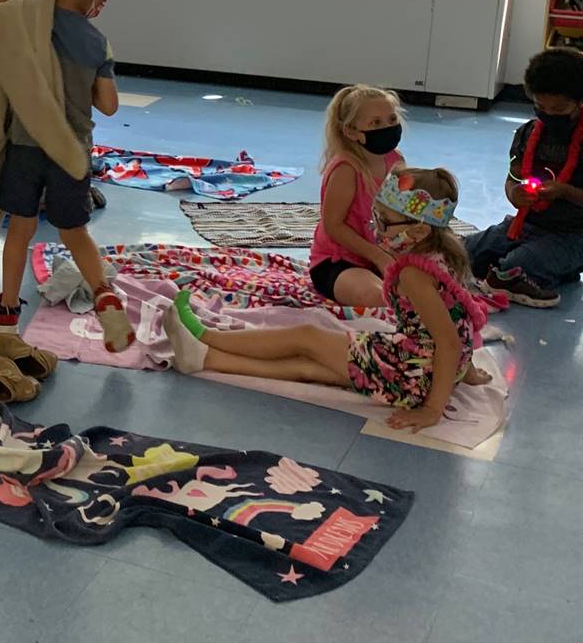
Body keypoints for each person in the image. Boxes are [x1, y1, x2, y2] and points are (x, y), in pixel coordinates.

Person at [166, 166, 496, 433]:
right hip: (417, 370)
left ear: (419, 232)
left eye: (383, 222)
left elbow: (449, 341)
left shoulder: (414, 275)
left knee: (306, 337)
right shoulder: (441, 254)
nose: (375, 228)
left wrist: (432, 410)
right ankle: (203, 359)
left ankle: (206, 336)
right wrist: (463, 372)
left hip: (410, 375)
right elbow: (461, 317)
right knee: (310, 367)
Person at [0, 0, 131, 346]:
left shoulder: (20, 18)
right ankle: (104, 295)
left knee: (20, 228)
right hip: (71, 153)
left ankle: (6, 312)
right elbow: (108, 105)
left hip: (24, 146)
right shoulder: (97, 42)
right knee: (75, 232)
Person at [466, 45, 583, 306]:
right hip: (525, 224)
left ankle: (546, 266)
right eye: (541, 106)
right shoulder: (528, 133)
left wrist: (565, 191)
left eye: (559, 108)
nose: (549, 114)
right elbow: (513, 178)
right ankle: (540, 268)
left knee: (516, 266)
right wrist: (514, 194)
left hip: (574, 234)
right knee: (465, 253)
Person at [307, 83, 405, 308]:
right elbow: (334, 226)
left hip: (382, 256)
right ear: (351, 131)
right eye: (375, 123)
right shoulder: (346, 168)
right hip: (338, 262)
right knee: (377, 298)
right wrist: (378, 256)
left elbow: (399, 213)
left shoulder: (396, 160)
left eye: (392, 120)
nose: (387, 127)